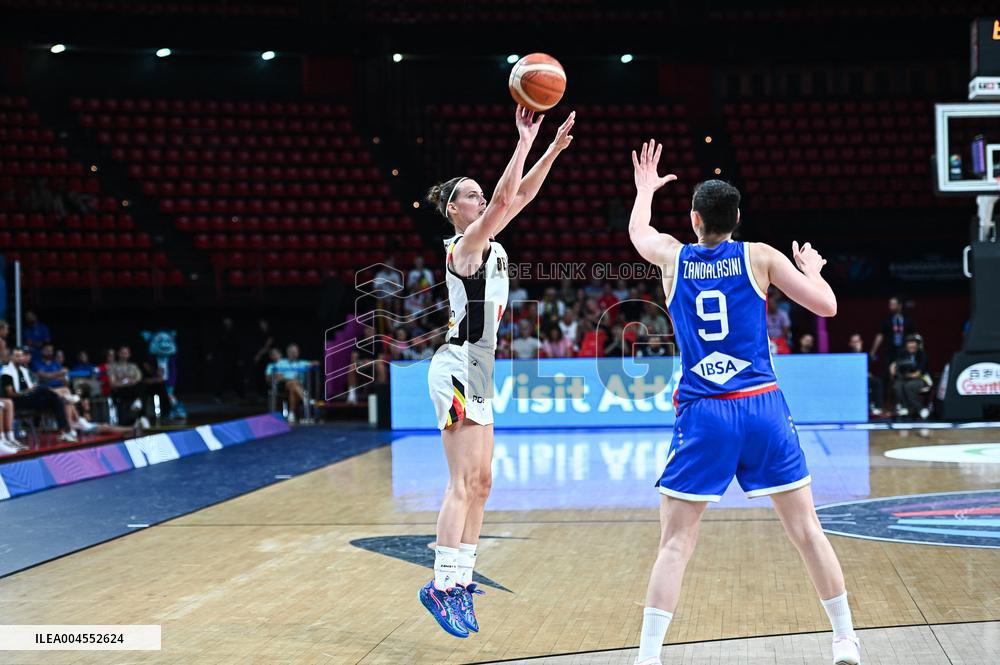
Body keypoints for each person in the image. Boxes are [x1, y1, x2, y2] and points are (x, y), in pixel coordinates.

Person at [626, 141, 859, 665]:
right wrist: (814, 269)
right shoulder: (759, 255)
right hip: (761, 406)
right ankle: (845, 638)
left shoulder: (673, 257)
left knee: (676, 543)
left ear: (692, 219)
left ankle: (648, 656)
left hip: (704, 412)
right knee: (806, 532)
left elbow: (639, 233)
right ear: (737, 218)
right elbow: (827, 306)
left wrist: (644, 191)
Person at [419, 105, 574, 639]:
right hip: (457, 366)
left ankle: (461, 580)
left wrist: (550, 151)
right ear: (453, 211)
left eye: (482, 193)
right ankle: (439, 585)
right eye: (471, 194)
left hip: (480, 370)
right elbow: (510, 197)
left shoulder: (488, 236)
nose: (482, 198)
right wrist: (525, 139)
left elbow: (519, 196)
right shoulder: (465, 248)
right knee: (462, 482)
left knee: (484, 483)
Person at [2, 347, 77, 442]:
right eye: (17, 356)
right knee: (44, 390)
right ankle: (65, 398)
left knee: (55, 399)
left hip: (30, 399)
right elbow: (10, 394)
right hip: (18, 401)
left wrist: (30, 389)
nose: (20, 358)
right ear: (11, 357)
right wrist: (27, 391)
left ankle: (64, 432)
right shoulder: (7, 372)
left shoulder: (22, 371)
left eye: (21, 356)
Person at [265, 343, 317, 423]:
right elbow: (277, 376)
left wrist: (310, 366)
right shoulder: (281, 362)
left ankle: (292, 413)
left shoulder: (301, 363)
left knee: (293, 388)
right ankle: (306, 399)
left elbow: (316, 363)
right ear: (288, 353)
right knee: (293, 382)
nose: (294, 354)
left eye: (296, 352)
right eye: (292, 352)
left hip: (296, 386)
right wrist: (288, 378)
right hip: (283, 386)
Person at [890, 334, 931, 420]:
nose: (911, 345)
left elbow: (918, 373)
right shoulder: (902, 354)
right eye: (909, 343)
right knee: (898, 385)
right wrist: (893, 367)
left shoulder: (922, 355)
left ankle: (921, 409)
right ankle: (904, 408)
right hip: (905, 378)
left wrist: (907, 375)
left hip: (921, 379)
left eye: (913, 343)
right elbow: (896, 365)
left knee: (908, 386)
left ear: (917, 344)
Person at [848, 333, 883, 417]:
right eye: (854, 342)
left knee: (877, 382)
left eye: (858, 341)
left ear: (861, 342)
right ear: (850, 344)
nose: (856, 344)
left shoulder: (866, 355)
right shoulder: (847, 356)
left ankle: (877, 407)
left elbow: (871, 367)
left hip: (865, 379)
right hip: (851, 379)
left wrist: (859, 352)